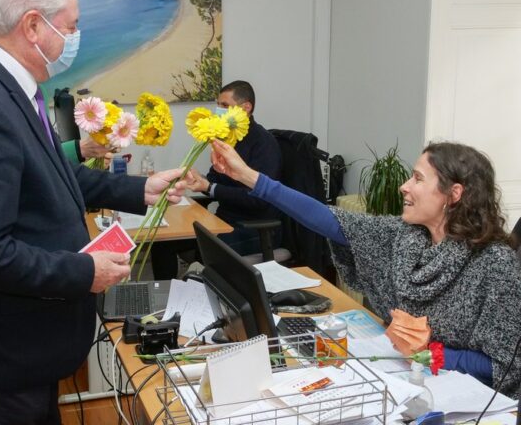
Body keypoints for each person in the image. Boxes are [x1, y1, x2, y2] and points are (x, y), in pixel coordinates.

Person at [0, 0, 187, 424]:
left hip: (25, 343)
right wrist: (84, 272)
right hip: (7, 348)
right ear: (32, 26)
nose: (74, 38)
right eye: (72, 25)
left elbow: (54, 177)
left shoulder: (10, 86)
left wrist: (141, 189)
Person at [210, 139, 521, 398]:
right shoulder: (405, 237)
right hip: (404, 384)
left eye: (417, 178)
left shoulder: (495, 265)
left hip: (466, 403)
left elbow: (505, 365)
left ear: (454, 195)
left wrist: (429, 352)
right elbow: (329, 220)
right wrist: (250, 178)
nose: (403, 187)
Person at [151, 80, 281, 279]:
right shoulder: (229, 138)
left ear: (246, 108)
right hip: (221, 221)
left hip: (251, 229)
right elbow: (213, 180)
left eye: (225, 106)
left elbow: (258, 199)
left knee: (207, 251)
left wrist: (210, 187)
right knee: (161, 244)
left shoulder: (264, 143)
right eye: (218, 105)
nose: (219, 110)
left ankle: (202, 303)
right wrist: (197, 179)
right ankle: (168, 300)